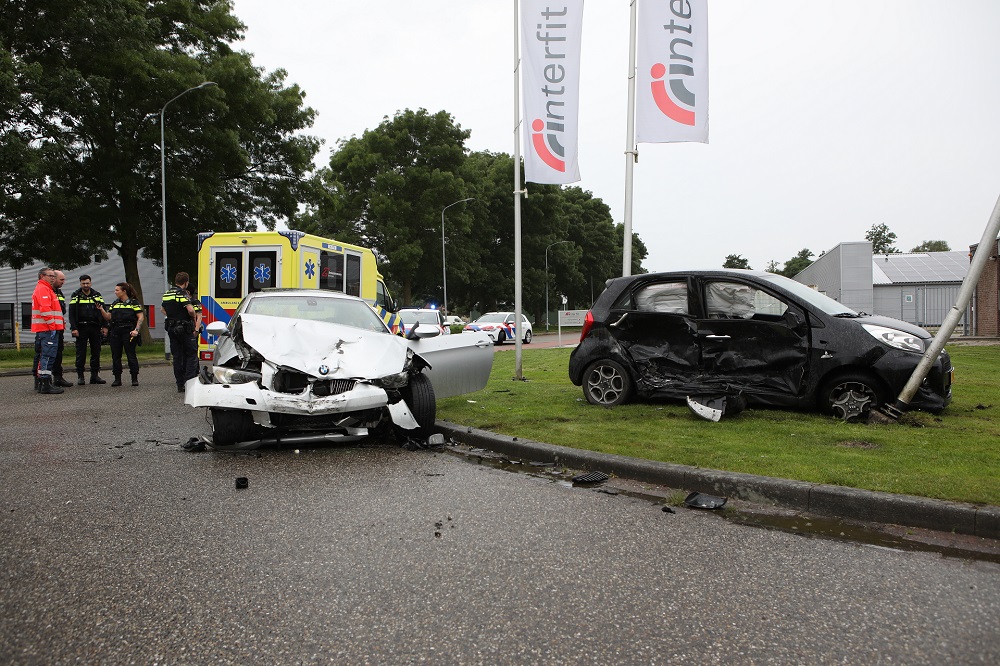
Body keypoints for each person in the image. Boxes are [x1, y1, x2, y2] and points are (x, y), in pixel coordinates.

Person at [99, 282, 144, 386]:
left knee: (131, 355)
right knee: (116, 356)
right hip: (115, 332)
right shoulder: (115, 303)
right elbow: (108, 317)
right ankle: (117, 378)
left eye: (117, 290)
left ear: (124, 291)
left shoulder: (134, 303)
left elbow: (140, 317)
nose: (115, 292)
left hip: (128, 332)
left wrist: (136, 330)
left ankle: (134, 378)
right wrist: (101, 309)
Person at [162, 271, 198, 392]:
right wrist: (192, 318)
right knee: (191, 354)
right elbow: (191, 310)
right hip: (184, 327)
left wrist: (173, 317)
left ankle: (180, 384)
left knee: (177, 357)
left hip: (171, 328)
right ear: (186, 282)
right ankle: (190, 383)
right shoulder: (182, 293)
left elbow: (162, 309)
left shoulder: (167, 294)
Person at [68, 274, 108, 385]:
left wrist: (105, 326)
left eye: (87, 283)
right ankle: (80, 376)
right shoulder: (76, 295)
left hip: (95, 327)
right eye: (83, 283)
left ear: (91, 283)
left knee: (96, 351)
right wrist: (74, 328)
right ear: (80, 283)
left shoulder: (97, 295)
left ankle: (94, 376)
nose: (85, 285)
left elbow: (103, 310)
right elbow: (71, 314)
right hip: (81, 327)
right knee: (81, 352)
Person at [31, 267, 65, 395]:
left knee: (46, 355)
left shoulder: (46, 289)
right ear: (42, 276)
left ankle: (43, 382)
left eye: (53, 276)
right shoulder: (43, 289)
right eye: (50, 276)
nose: (53, 278)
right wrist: (52, 326)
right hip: (47, 329)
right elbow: (45, 309)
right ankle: (45, 383)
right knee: (48, 356)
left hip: (47, 328)